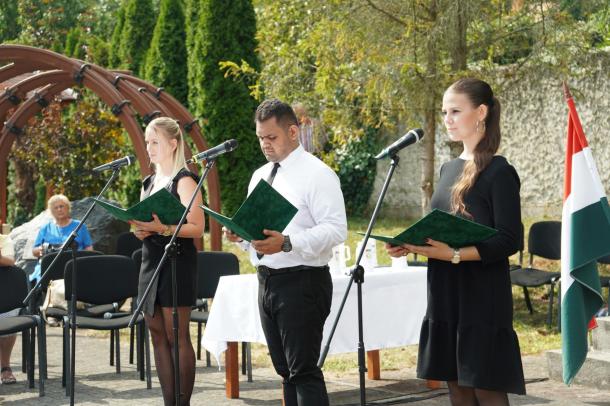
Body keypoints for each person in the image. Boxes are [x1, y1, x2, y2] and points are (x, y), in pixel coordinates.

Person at [386, 78, 525, 405]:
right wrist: (411, 243)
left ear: (480, 112)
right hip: (445, 290)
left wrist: (456, 254)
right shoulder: (449, 168)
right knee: (457, 388)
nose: (446, 118)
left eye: (455, 111)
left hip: (481, 295)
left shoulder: (499, 171)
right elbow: (444, 226)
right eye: (444, 111)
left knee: (485, 386)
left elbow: (509, 239)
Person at [225, 99, 347, 406]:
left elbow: (336, 229)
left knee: (303, 371)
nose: (265, 144)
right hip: (267, 281)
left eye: (271, 137)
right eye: (260, 138)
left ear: (293, 132)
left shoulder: (318, 174)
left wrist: (288, 242)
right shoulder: (259, 175)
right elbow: (259, 231)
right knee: (284, 372)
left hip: (303, 282)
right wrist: (240, 235)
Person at [130, 117, 204, 406]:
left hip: (177, 262)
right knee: (156, 333)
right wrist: (140, 229)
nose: (149, 147)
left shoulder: (184, 180)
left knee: (177, 336)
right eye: (147, 142)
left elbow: (197, 227)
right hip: (150, 261)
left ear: (173, 144)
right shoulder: (148, 182)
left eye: (155, 141)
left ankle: (182, 404)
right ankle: (168, 402)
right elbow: (142, 227)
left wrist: (163, 229)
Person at [31, 194, 94, 283]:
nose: (59, 209)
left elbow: (89, 249)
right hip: (50, 266)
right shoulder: (45, 228)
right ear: (51, 211)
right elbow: (34, 251)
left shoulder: (80, 226)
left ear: (68, 208)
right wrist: (46, 249)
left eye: (61, 206)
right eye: (55, 208)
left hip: (74, 266)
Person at [0, 234, 18, 384]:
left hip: (3, 296)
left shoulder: (4, 239)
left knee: (11, 315)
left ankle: (5, 367)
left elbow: (10, 261)